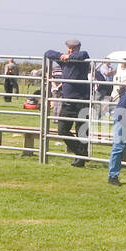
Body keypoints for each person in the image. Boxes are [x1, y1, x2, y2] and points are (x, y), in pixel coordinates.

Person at [44, 38, 91, 166]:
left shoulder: (82, 59)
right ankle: (81, 154)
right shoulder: (63, 59)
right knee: (62, 129)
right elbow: (48, 53)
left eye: (73, 48)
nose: (70, 50)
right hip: (67, 101)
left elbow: (84, 54)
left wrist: (69, 56)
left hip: (82, 100)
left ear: (78, 48)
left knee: (82, 131)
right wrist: (61, 56)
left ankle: (80, 159)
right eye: (69, 48)